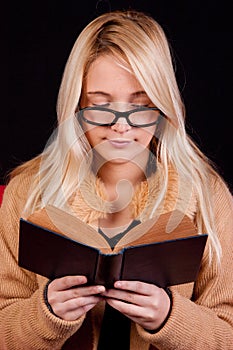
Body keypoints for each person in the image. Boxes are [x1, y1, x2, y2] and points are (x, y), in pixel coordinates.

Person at [0, 9, 232, 350]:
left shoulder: (208, 196)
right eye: (100, 105)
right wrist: (44, 314)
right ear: (76, 106)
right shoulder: (27, 192)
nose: (121, 125)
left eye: (140, 106)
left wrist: (170, 317)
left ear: (163, 107)